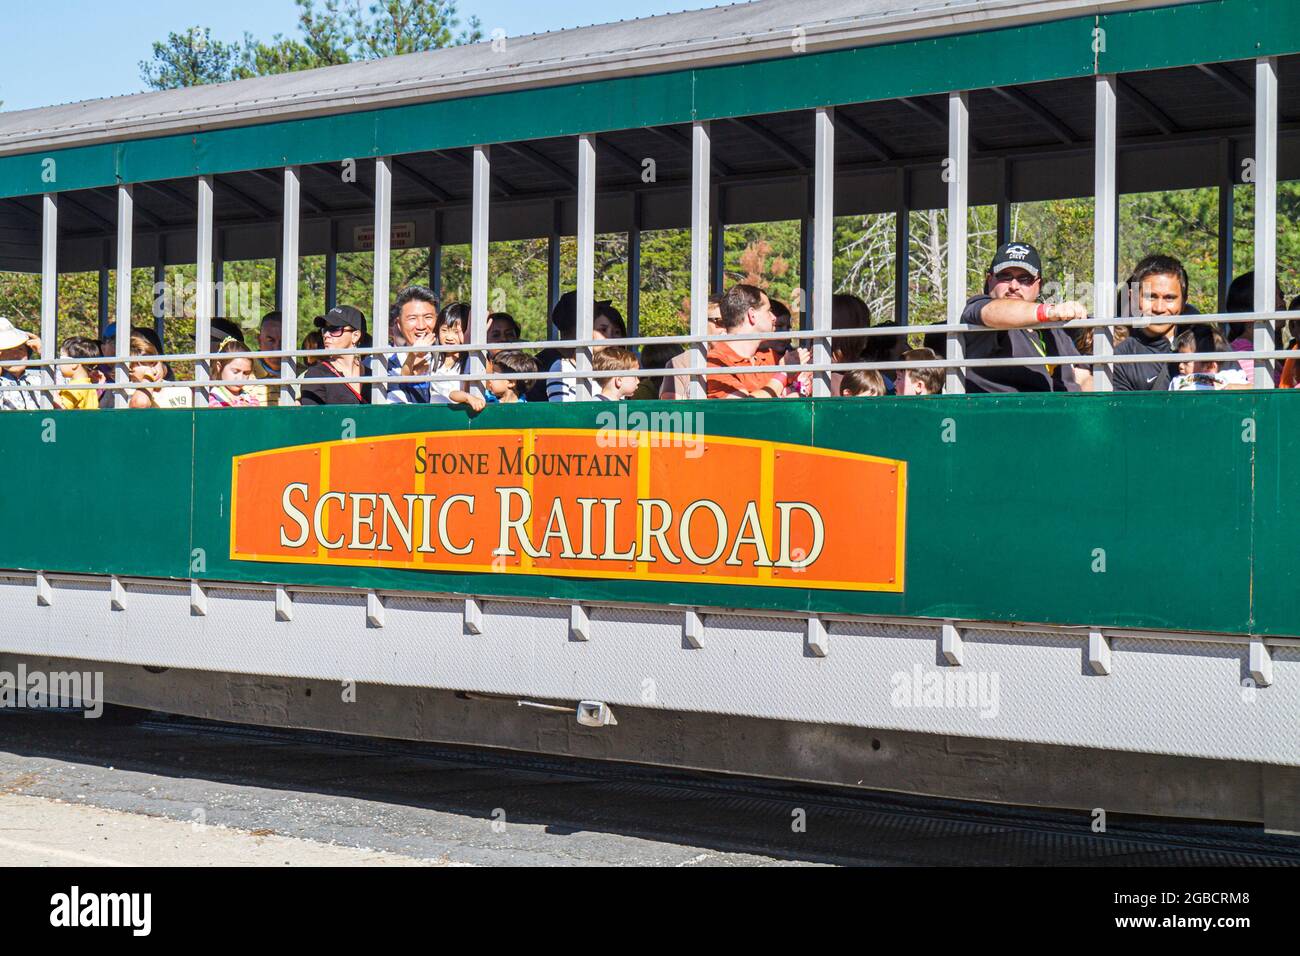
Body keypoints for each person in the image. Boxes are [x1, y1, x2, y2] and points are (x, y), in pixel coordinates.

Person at [960, 241, 1084, 392]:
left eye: (1025, 279)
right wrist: (1049, 311)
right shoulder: (979, 309)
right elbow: (994, 312)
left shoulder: (1056, 330)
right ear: (989, 279)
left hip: (1065, 410)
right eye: (1005, 277)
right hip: (1008, 411)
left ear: (1039, 284)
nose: (1013, 286)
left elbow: (1082, 377)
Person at [706, 283, 810, 399]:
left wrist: (804, 380)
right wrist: (783, 373)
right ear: (752, 315)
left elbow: (802, 384)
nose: (773, 317)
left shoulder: (770, 356)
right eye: (768, 311)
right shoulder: (715, 362)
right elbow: (743, 407)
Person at [1111, 255, 1192, 391]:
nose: (1159, 308)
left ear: (1184, 301)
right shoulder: (1121, 358)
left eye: (1169, 298)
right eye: (1150, 296)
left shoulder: (1207, 343)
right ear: (1133, 299)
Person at [547, 301, 625, 402]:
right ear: (586, 332)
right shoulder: (563, 368)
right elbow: (562, 413)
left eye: (617, 332)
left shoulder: (621, 370)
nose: (609, 337)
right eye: (603, 330)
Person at [300, 305, 372, 406]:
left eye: (334, 329)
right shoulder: (316, 374)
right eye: (324, 329)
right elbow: (312, 418)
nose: (326, 335)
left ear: (355, 336)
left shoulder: (373, 376)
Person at [1224, 271, 1287, 381]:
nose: (1281, 303)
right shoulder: (1245, 353)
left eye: (1281, 296)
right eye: (1272, 297)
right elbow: (1264, 394)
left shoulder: (1260, 348)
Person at [385, 286, 441, 405]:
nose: (421, 326)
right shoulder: (384, 361)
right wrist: (413, 355)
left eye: (428, 317)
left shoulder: (447, 357)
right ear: (398, 324)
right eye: (412, 318)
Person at [428, 302, 486, 411]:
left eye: (456, 332)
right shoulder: (434, 358)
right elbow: (450, 394)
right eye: (444, 330)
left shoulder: (470, 359)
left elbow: (487, 374)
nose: (449, 337)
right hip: (437, 414)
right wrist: (468, 398)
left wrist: (470, 348)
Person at [661, 295, 722, 400]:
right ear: (702, 323)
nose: (726, 328)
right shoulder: (679, 363)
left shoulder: (749, 359)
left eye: (732, 322)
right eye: (720, 322)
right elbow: (672, 409)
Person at [127, 329, 193, 408]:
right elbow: (140, 404)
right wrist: (148, 378)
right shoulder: (126, 392)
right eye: (146, 367)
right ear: (131, 370)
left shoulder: (181, 390)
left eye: (154, 363)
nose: (154, 371)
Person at [1168, 327, 1250, 391]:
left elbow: (1252, 387)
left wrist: (1233, 387)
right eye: (1180, 360)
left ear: (1210, 366)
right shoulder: (1179, 380)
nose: (1180, 366)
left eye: (1186, 362)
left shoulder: (1227, 376)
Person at [0, 317, 43, 411]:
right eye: (8, 350)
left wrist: (43, 352)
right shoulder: (1, 381)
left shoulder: (38, 378)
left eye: (20, 349)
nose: (15, 355)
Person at [208, 337, 263, 407]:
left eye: (246, 373)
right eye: (235, 371)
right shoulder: (212, 399)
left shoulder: (252, 401)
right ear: (219, 366)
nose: (240, 378)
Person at [55, 336, 100, 410]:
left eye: (61, 358)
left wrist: (51, 393)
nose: (59, 363)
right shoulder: (89, 385)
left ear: (74, 363)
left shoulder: (74, 387)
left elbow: (62, 409)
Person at [252, 311, 286, 405]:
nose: (277, 348)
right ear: (259, 340)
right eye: (270, 340)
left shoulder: (303, 375)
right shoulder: (243, 374)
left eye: (283, 341)